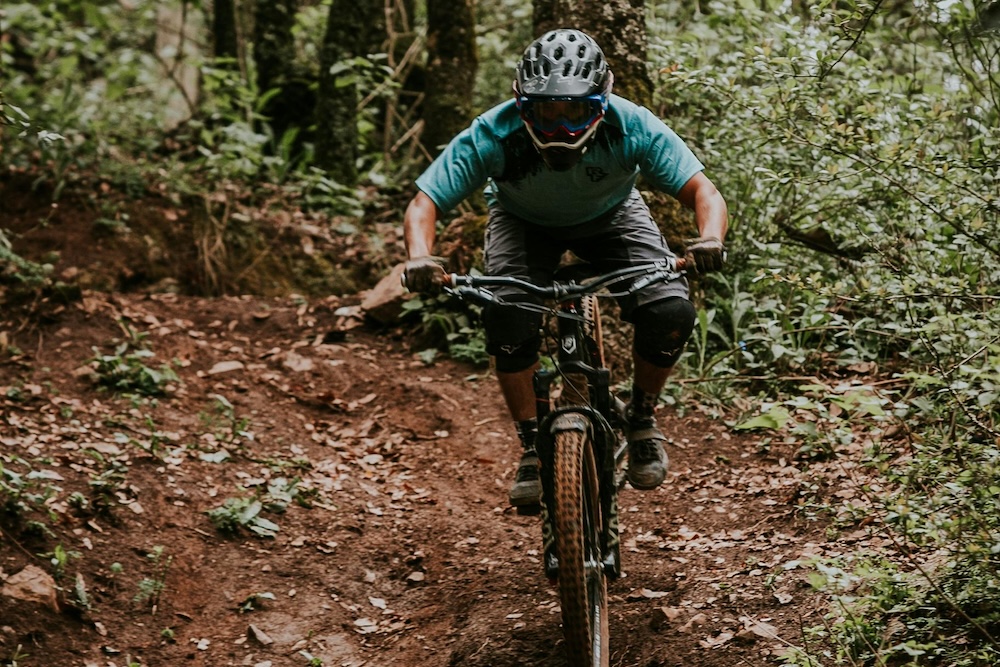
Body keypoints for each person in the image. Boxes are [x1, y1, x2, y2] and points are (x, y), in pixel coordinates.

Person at [402, 29, 728, 507]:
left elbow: (705, 192)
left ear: (599, 103)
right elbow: (424, 204)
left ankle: (640, 417)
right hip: (521, 221)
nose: (559, 126)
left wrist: (710, 239)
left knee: (670, 310)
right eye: (544, 111)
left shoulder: (631, 124)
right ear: (521, 104)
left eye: (573, 111)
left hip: (614, 215)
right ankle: (533, 445)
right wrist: (419, 256)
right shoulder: (494, 133)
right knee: (508, 314)